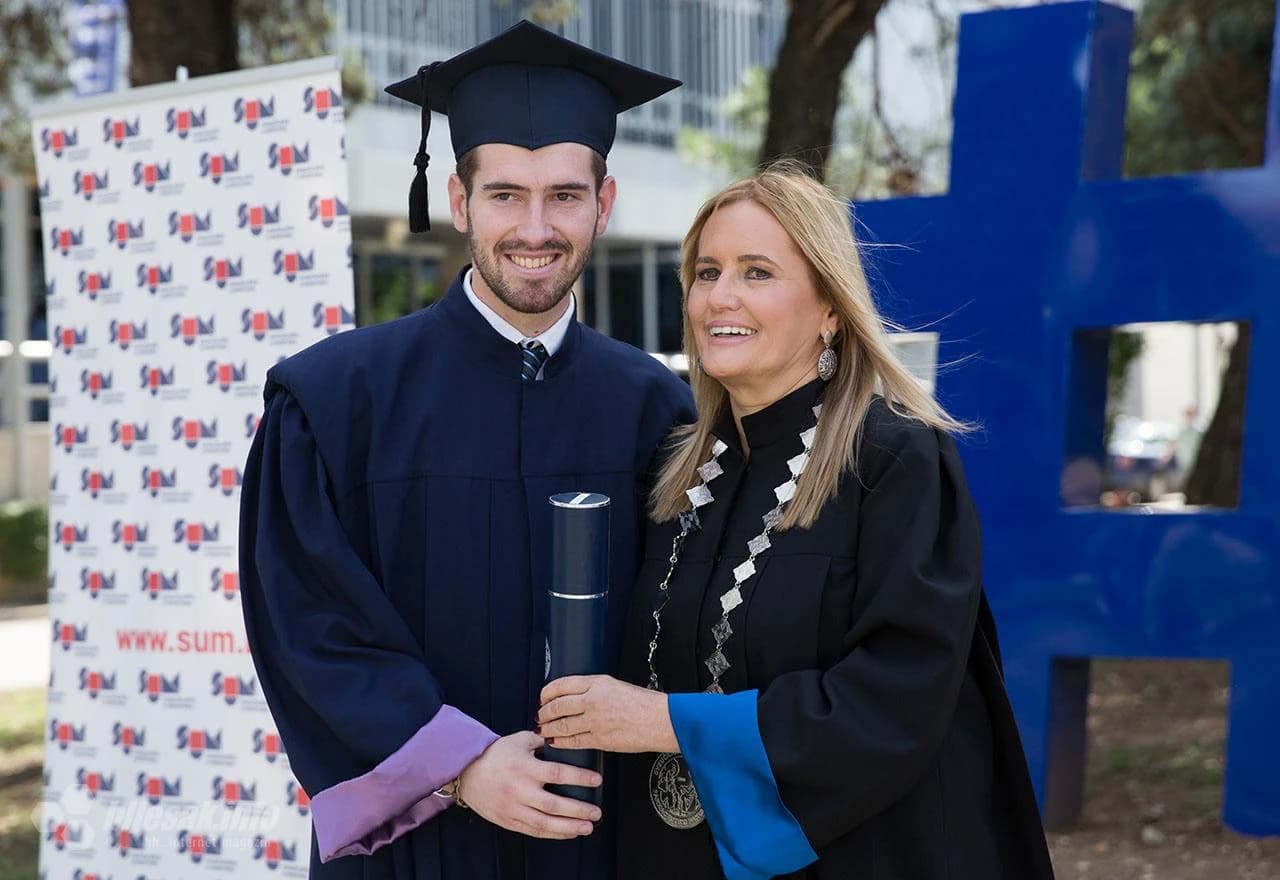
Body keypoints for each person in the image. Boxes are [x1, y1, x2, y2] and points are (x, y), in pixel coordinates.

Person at [238, 20, 694, 880]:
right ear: (458, 202)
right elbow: (310, 626)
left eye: (564, 195)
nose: (536, 226)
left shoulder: (658, 411)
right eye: (505, 194)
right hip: (418, 847)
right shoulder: (335, 401)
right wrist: (462, 766)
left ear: (604, 203)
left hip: (598, 840)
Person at [538, 168, 1056, 879]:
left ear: (830, 309)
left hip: (855, 857)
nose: (721, 296)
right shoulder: (676, 471)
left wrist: (664, 723)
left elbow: (896, 697)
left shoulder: (894, 461)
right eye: (707, 271)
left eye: (758, 273)